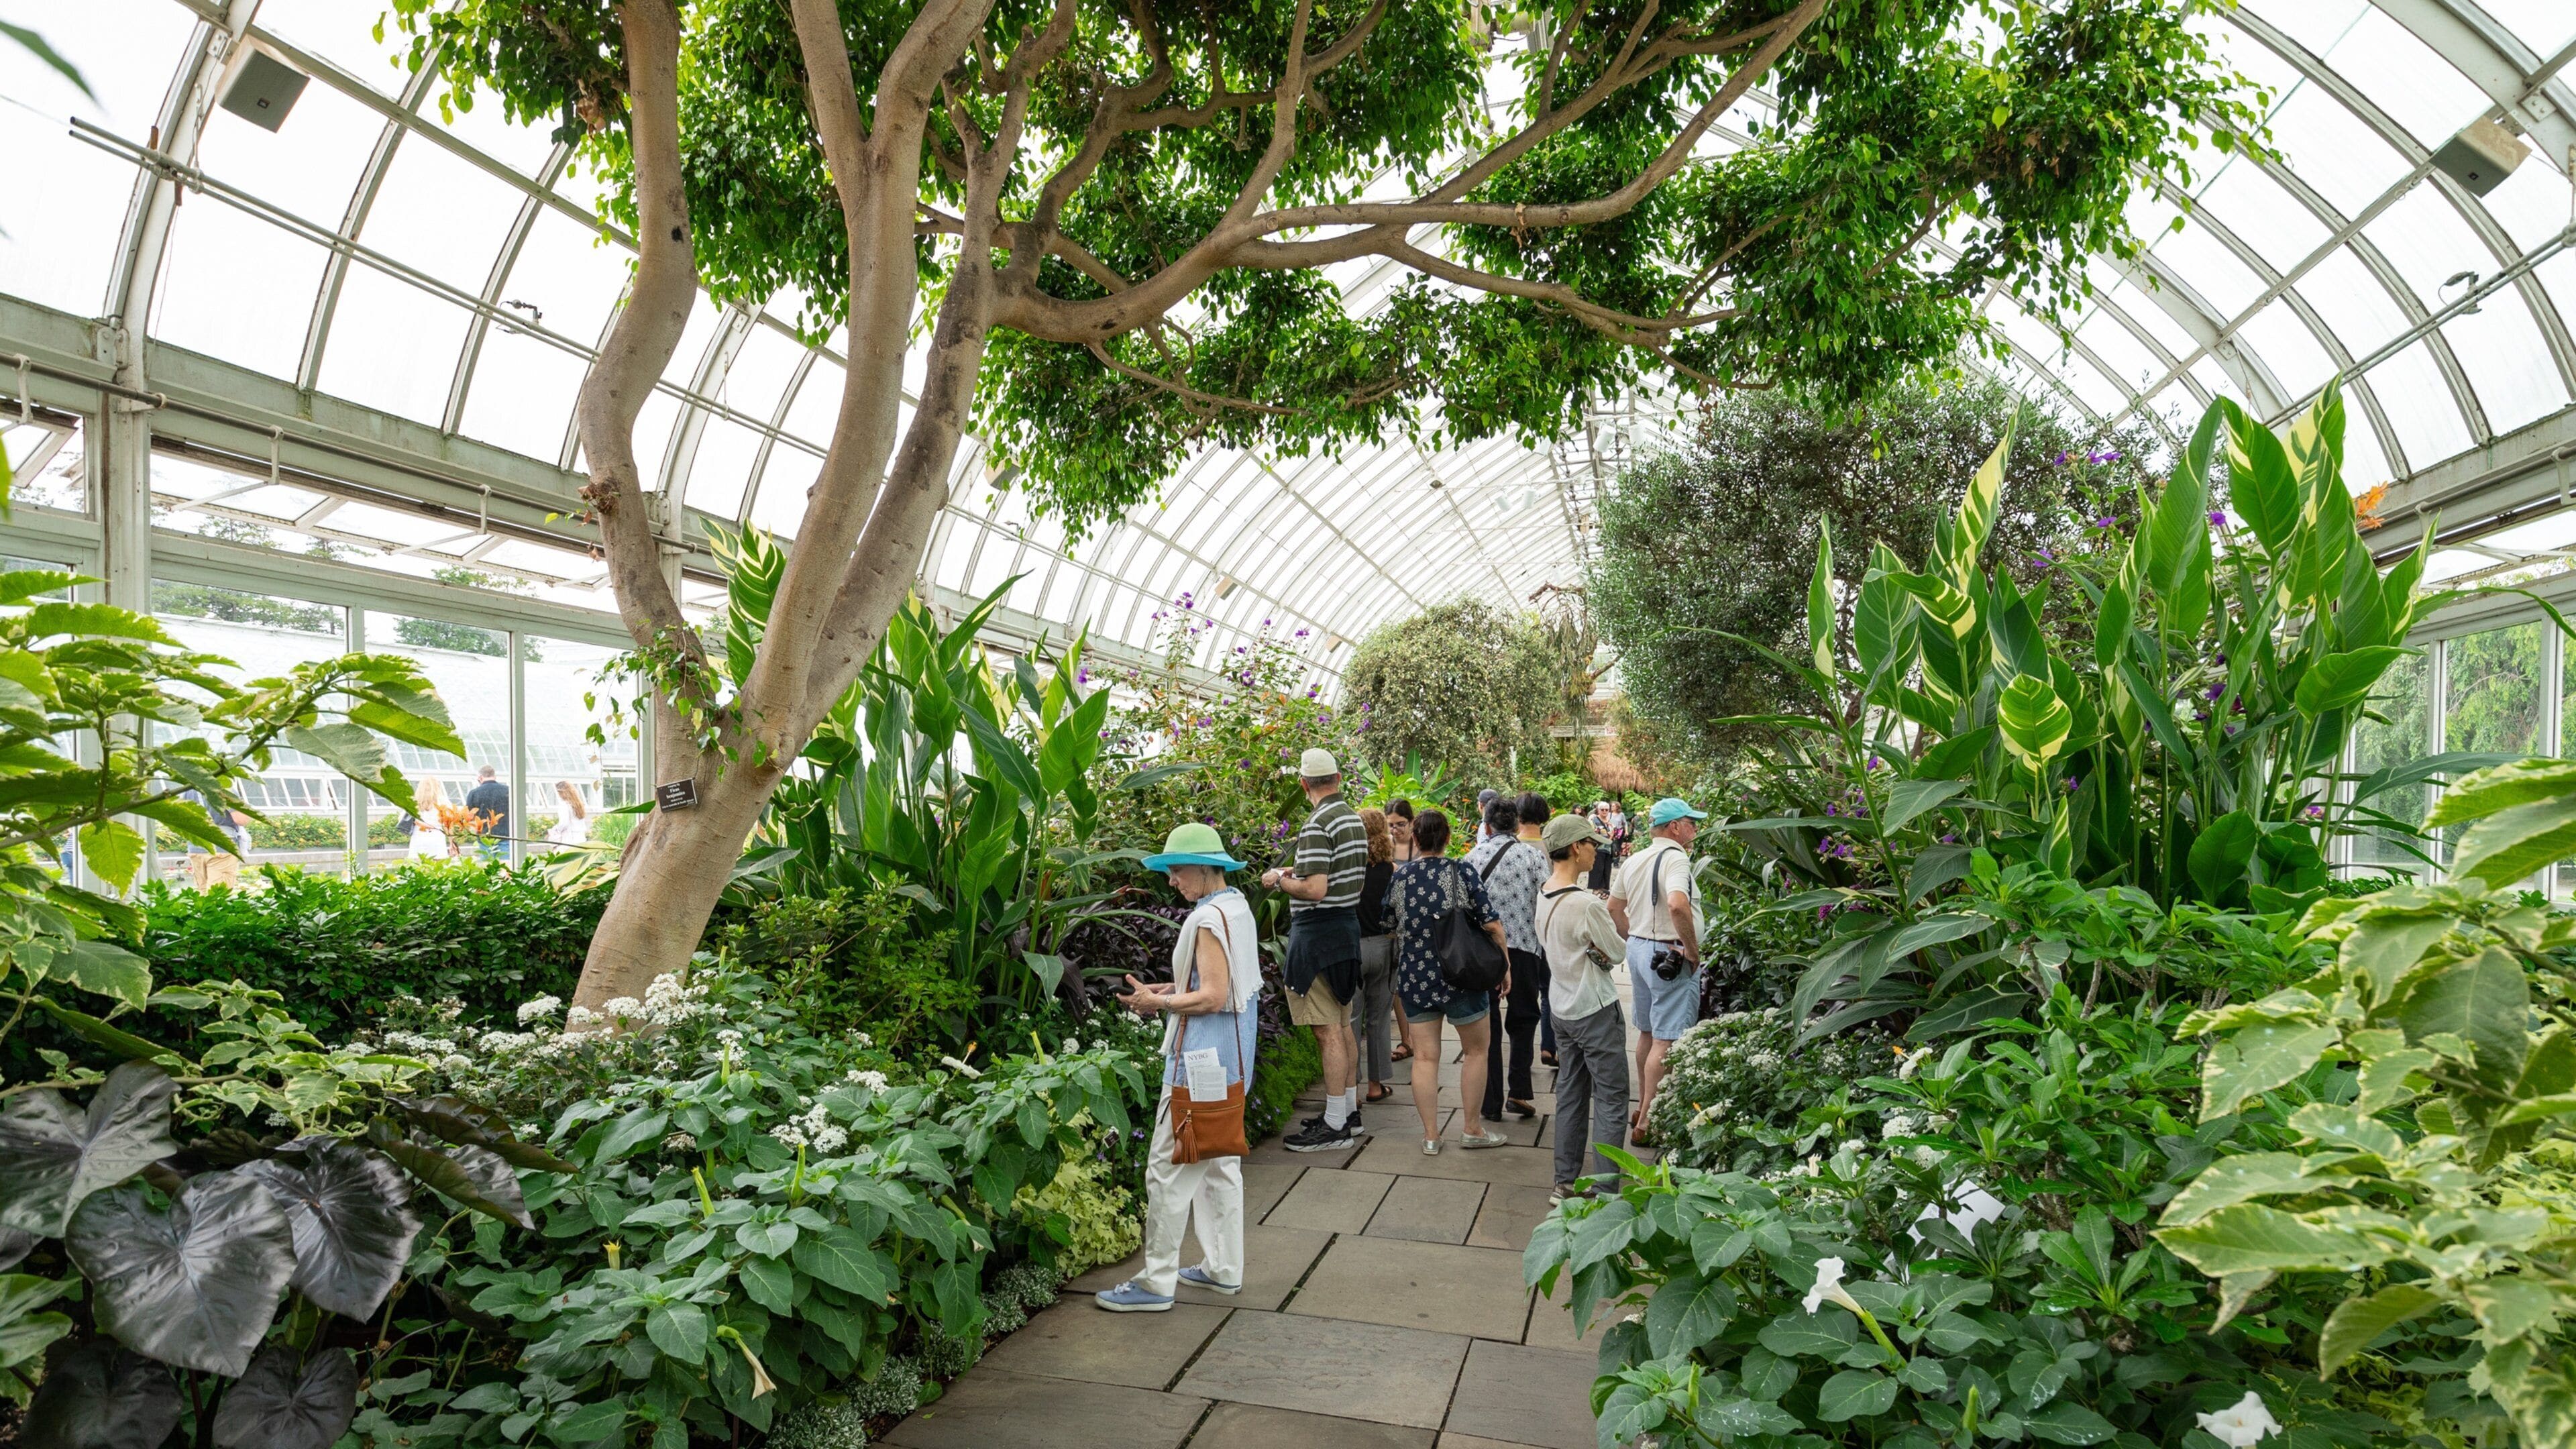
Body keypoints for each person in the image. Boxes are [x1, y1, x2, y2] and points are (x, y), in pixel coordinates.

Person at [1095, 822, 1262, 1311]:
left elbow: (1212, 996)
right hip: (1232, 1064)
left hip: (1198, 1066)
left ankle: (1156, 1283)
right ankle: (1223, 1270)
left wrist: (1158, 1004)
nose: (1171, 880)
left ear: (1206, 867)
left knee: (1167, 1169)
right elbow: (1226, 985)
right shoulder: (1237, 908)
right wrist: (1170, 988)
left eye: (1177, 870)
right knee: (1219, 1165)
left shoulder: (1207, 920)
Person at [1263, 748, 1371, 1152]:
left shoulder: (1317, 823)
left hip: (1318, 935)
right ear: (1338, 779)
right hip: (1346, 930)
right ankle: (1348, 1113)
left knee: (1327, 1032)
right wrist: (1297, 871)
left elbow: (1315, 889)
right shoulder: (1352, 819)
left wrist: (1277, 880)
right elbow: (1336, 873)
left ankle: (1335, 1127)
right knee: (1342, 1026)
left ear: (1304, 784)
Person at [1386, 809, 1512, 1154]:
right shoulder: (1462, 871)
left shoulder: (1401, 878)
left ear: (1415, 838)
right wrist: (1505, 966)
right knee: (1476, 1051)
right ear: (1448, 838)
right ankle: (1472, 1129)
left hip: (1416, 977)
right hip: (1462, 975)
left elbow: (1388, 925)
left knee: (1425, 1058)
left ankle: (1431, 1136)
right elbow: (1491, 924)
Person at [1536, 812, 1631, 1197]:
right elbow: (1618, 951)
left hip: (1561, 1006)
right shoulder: (1586, 904)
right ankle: (1606, 1191)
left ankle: (1564, 1182)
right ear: (1576, 848)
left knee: (1571, 1094)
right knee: (1611, 1097)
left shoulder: (1544, 892)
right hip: (1594, 1009)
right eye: (1592, 844)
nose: (1596, 850)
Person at [1610, 797, 1707, 1140]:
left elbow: (1613, 908)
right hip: (1670, 954)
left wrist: (1635, 938)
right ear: (1675, 827)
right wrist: (1691, 951)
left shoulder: (1635, 858)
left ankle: (1642, 1105)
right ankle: (1647, 1123)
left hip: (1639, 951)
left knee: (1648, 1033)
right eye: (1691, 823)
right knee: (1666, 1039)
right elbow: (1677, 904)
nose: (1695, 829)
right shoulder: (1677, 858)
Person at [1464, 796, 1550, 1122]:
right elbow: (1544, 902)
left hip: (1483, 951)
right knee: (1524, 1018)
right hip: (1525, 948)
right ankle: (1519, 1091)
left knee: (1486, 1023)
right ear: (1516, 826)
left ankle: (1490, 1102)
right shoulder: (1533, 857)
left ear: (1486, 826)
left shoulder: (1471, 858)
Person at [1356, 808, 1400, 1104]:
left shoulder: (1350, 871)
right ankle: (1375, 1085)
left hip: (1354, 948)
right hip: (1384, 947)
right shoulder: (1393, 871)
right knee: (1379, 1019)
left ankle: (1350, 1089)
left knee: (1350, 1019)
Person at [1384, 800, 1419, 1062]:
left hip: (1417, 922)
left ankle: (1421, 1037)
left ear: (1412, 822)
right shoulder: (1385, 848)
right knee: (1396, 982)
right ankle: (1407, 1040)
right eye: (1391, 825)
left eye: (1401, 824)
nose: (1395, 830)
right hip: (1393, 922)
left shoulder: (1421, 847)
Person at [178, 789, 249, 892]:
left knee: (203, 893)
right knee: (218, 895)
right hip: (222, 847)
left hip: (196, 848)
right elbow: (241, 819)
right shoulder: (223, 788)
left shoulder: (187, 790)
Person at [406, 781, 450, 863]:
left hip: (419, 835)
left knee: (419, 865)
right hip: (437, 835)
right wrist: (452, 842)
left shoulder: (415, 801)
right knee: (438, 865)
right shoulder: (442, 801)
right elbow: (449, 821)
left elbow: (408, 818)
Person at [545, 782, 592, 847]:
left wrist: (555, 830)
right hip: (581, 838)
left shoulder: (564, 805)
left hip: (569, 839)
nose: (558, 795)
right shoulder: (579, 804)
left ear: (562, 792)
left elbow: (564, 823)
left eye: (559, 793)